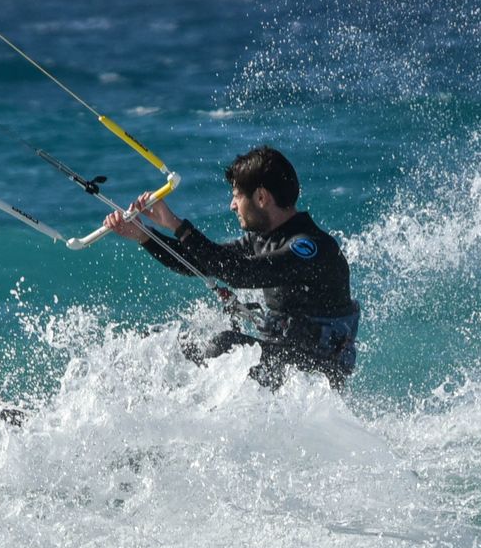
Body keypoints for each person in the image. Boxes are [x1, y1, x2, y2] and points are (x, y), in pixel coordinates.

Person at [103, 145, 360, 389]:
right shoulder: (262, 239)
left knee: (225, 344)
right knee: (174, 348)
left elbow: (240, 274)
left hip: (317, 374)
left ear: (261, 197)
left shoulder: (309, 248)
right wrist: (145, 237)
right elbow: (199, 263)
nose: (232, 205)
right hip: (284, 359)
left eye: (237, 196)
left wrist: (177, 225)